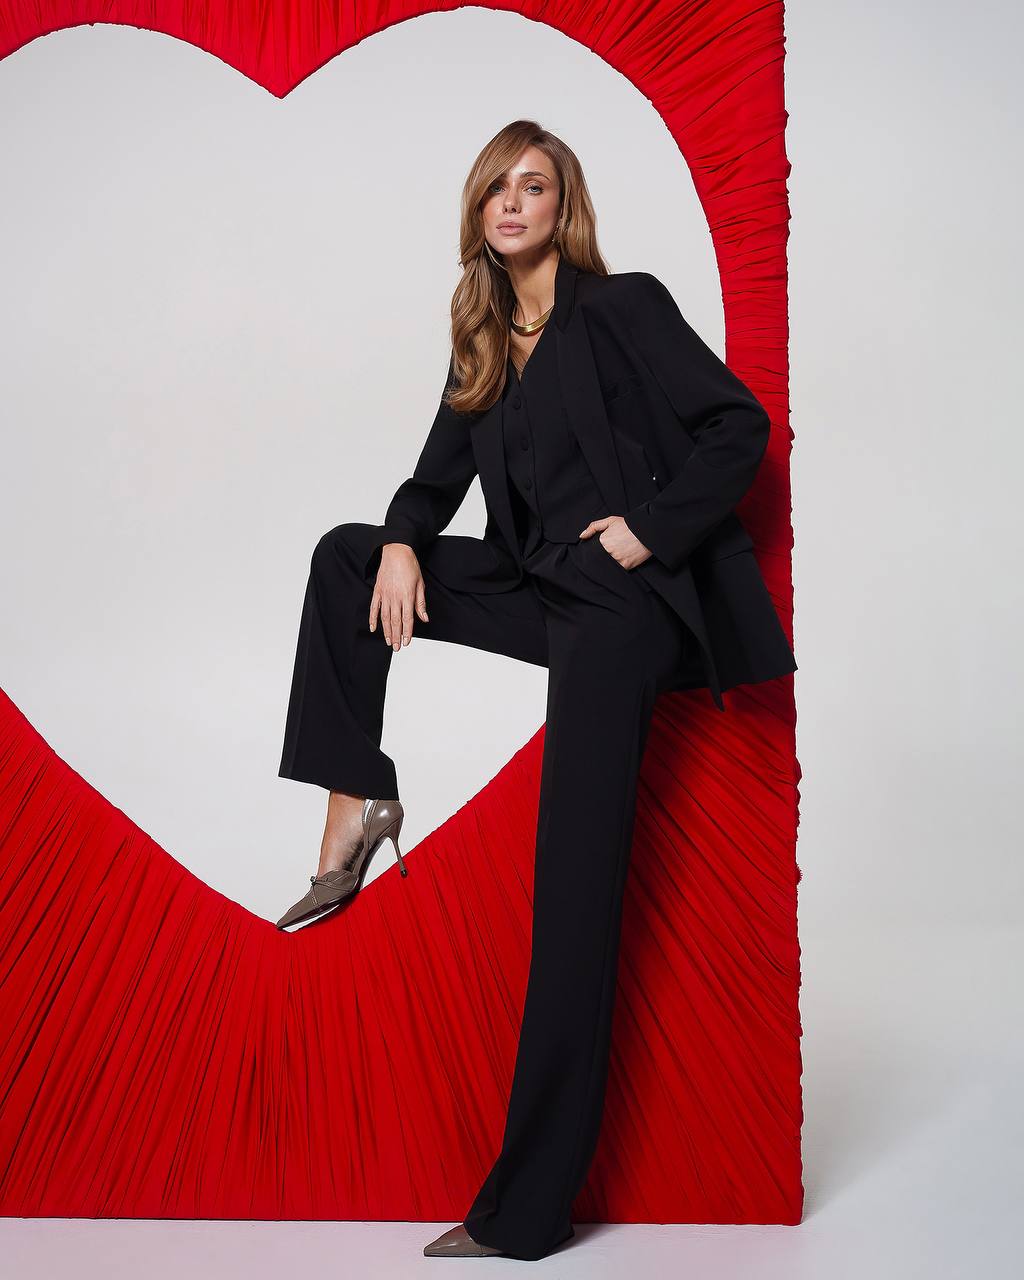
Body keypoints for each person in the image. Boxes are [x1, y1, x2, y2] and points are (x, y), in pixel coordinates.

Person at [275, 120, 796, 1262]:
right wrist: (408, 542)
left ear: (563, 206)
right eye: (497, 187)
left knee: (570, 897)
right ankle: (352, 802)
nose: (514, 202)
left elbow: (735, 427)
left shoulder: (619, 307)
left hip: (616, 614)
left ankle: (526, 1210)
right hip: (532, 585)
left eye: (536, 185)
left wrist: (644, 538)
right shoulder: (485, 343)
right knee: (347, 554)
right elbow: (428, 482)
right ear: (477, 211)